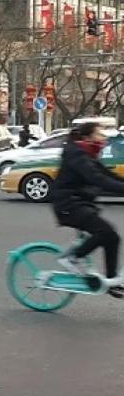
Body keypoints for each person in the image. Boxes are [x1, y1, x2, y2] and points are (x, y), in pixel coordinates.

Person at [53, 122, 124, 297]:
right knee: (105, 231)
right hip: (68, 205)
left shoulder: (88, 155)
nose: (104, 138)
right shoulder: (76, 154)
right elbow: (97, 179)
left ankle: (111, 282)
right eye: (100, 134)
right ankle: (72, 257)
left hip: (80, 203)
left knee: (112, 237)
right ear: (88, 137)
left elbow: (108, 175)